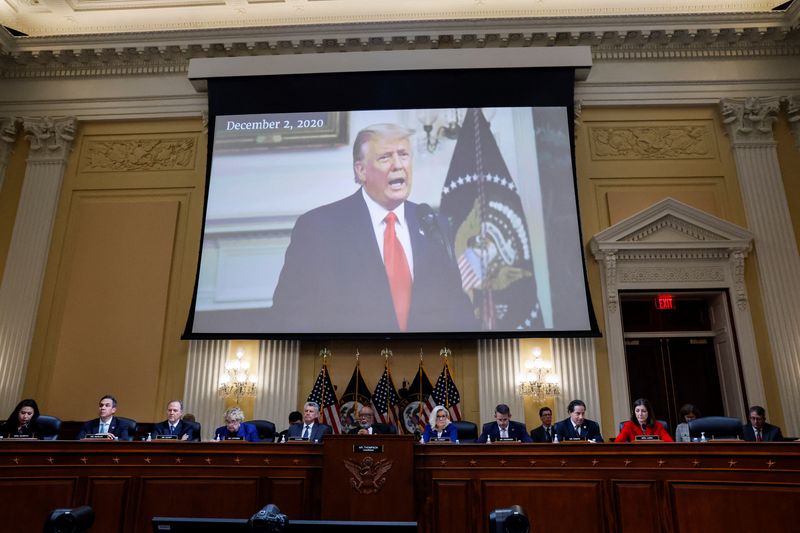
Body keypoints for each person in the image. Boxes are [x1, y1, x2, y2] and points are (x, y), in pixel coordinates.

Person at [269, 123, 477, 333]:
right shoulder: (318, 228)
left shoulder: (433, 224)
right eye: (385, 157)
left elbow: (457, 308)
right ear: (361, 171)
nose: (398, 165)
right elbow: (289, 316)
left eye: (403, 155)